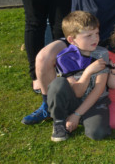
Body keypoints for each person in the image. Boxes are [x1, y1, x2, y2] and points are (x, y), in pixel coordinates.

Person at [46, 11, 110, 142]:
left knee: (98, 133)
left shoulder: (102, 54)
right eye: (88, 35)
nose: (95, 39)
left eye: (96, 33)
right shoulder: (64, 58)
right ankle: (59, 121)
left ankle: (76, 118)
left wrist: (76, 115)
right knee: (57, 84)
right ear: (72, 40)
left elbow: (98, 90)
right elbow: (78, 92)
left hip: (95, 101)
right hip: (74, 99)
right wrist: (88, 72)